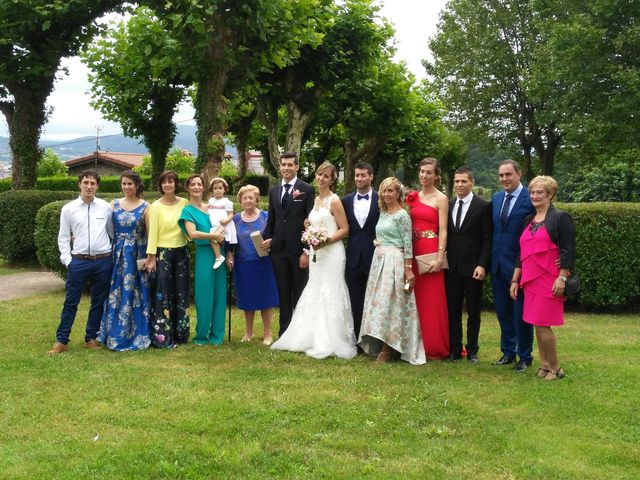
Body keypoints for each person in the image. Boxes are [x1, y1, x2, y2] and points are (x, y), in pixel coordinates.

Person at [271, 162, 356, 359]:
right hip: (317, 254)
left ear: (332, 179)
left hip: (332, 253)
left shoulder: (334, 201)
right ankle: (309, 335)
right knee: (315, 290)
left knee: (330, 291)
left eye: (326, 176)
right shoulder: (316, 199)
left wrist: (325, 242)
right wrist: (309, 228)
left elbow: (344, 229)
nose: (321, 179)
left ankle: (331, 339)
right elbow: (316, 223)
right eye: (319, 175)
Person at [510, 176, 575, 380]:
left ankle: (556, 367)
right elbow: (522, 253)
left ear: (550, 194)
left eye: (540, 192)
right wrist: (515, 280)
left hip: (550, 278)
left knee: (543, 324)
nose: (535, 196)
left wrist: (562, 277)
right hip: (530, 280)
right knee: (536, 323)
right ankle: (545, 364)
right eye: (532, 192)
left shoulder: (560, 217)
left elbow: (568, 250)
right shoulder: (528, 220)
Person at [358, 177, 425, 365]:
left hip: (394, 263)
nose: (387, 195)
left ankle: (390, 348)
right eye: (384, 191)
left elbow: (407, 244)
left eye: (391, 191)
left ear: (398, 194)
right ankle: (383, 344)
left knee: (391, 305)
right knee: (378, 304)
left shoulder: (402, 215)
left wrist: (408, 270)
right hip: (379, 262)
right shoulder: (383, 212)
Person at [48, 170, 113, 354]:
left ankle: (91, 338)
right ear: (80, 184)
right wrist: (68, 261)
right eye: (86, 182)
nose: (89, 186)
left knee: (98, 301)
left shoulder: (106, 207)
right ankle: (62, 340)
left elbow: (112, 233)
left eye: (93, 183)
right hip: (79, 262)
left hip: (103, 261)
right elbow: (63, 237)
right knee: (71, 302)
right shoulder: (69, 209)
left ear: (97, 186)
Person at [262, 152, 315, 336]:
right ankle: (284, 332)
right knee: (283, 294)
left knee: (300, 293)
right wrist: (266, 240)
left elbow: (311, 222)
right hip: (278, 251)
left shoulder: (307, 189)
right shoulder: (274, 191)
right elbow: (272, 219)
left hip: (298, 251)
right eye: (283, 164)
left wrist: (306, 251)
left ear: (297, 167)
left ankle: (301, 333)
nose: (286, 168)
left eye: (290, 165)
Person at [98, 170, 152, 351]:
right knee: (116, 291)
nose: (126, 187)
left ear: (137, 185)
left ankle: (139, 335)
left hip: (138, 254)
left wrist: (149, 257)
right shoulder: (112, 205)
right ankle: (113, 333)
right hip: (117, 254)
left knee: (138, 291)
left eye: (130, 184)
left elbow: (151, 234)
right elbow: (107, 230)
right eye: (124, 184)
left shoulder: (146, 207)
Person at [490, 159, 535, 372]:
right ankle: (508, 352)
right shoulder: (496, 198)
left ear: (519, 174)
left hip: (521, 265)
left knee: (521, 313)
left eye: (508, 174)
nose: (504, 179)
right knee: (503, 311)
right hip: (497, 264)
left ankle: (525, 355)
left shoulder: (531, 198)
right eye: (501, 175)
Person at [444, 166, 492, 363]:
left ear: (471, 182)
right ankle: (455, 349)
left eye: (463, 181)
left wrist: (482, 265)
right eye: (456, 181)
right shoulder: (449, 204)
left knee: (473, 311)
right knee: (452, 310)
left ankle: (472, 349)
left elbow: (488, 238)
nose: (459, 185)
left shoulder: (483, 206)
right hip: (452, 267)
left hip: (473, 267)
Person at [406, 157, 450, 360]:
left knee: (431, 299)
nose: (424, 175)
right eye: (422, 171)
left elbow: (443, 230)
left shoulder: (441, 199)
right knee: (413, 297)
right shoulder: (413, 197)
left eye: (429, 172)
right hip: (412, 251)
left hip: (431, 251)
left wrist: (440, 256)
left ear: (436, 175)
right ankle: (413, 343)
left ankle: (434, 346)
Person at [225, 185, 279, 345]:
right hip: (243, 265)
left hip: (264, 264)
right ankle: (248, 332)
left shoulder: (267, 217)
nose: (248, 200)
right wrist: (229, 254)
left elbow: (277, 236)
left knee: (266, 299)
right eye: (244, 198)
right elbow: (229, 241)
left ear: (257, 199)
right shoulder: (235, 219)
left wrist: (271, 242)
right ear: (240, 200)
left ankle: (268, 334)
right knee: (247, 299)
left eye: (251, 197)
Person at [178, 174, 227, 346]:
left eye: (199, 184)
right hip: (205, 254)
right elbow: (192, 233)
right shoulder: (187, 211)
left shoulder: (213, 207)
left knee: (220, 294)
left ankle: (217, 336)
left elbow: (226, 223)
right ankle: (201, 336)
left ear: (204, 187)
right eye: (193, 184)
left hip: (220, 252)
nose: (197, 187)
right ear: (188, 188)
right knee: (204, 295)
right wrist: (213, 235)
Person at [145, 170, 190, 348]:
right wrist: (151, 257)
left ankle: (181, 334)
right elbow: (152, 233)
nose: (168, 185)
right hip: (163, 253)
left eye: (171, 181)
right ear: (160, 185)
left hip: (182, 252)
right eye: (164, 182)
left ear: (176, 184)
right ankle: (163, 337)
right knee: (163, 294)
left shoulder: (184, 203)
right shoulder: (155, 206)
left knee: (181, 293)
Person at [341, 162, 380, 339]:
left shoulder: (381, 199)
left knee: (375, 299)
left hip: (375, 255)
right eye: (357, 175)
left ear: (371, 177)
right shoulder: (346, 201)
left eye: (363, 175)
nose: (359, 178)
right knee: (355, 298)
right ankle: (357, 338)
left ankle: (374, 337)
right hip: (353, 256)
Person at [207, 177, 237, 270]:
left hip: (223, 225)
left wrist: (226, 221)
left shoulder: (227, 202)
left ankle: (220, 256)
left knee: (215, 237)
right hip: (214, 224)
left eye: (220, 188)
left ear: (225, 189)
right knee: (213, 237)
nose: (217, 190)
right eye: (215, 188)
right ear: (212, 190)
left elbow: (231, 214)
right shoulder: (211, 201)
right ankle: (218, 256)